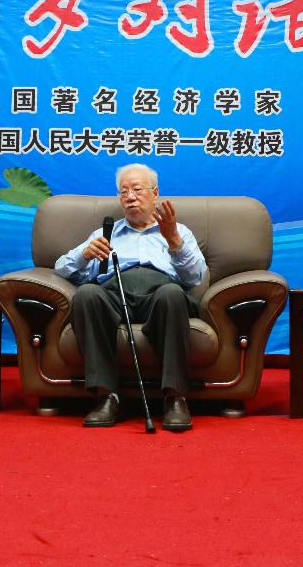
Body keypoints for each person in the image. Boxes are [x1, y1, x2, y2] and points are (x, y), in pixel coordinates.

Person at [54, 164, 207, 431]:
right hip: (114, 293)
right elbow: (61, 268)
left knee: (172, 294)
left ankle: (175, 397)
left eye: (137, 189)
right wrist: (84, 255)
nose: (130, 197)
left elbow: (195, 277)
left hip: (160, 296)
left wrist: (174, 241)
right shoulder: (105, 233)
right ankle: (107, 396)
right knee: (87, 294)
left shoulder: (178, 231)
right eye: (123, 192)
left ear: (155, 193)